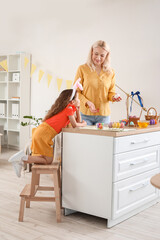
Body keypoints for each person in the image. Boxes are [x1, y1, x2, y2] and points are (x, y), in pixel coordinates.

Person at [8, 89, 87, 177]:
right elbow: (75, 124)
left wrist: (78, 110)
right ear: (72, 101)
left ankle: (21, 159)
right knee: (48, 160)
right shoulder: (69, 108)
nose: (79, 100)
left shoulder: (68, 108)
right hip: (44, 134)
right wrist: (83, 124)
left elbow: (76, 121)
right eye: (78, 98)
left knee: (45, 159)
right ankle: (21, 158)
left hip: (42, 132)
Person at [73, 40, 122, 126]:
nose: (98, 58)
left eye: (102, 55)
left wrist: (114, 97)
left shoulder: (110, 72)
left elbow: (111, 92)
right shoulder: (82, 69)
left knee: (103, 139)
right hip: (85, 115)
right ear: (92, 52)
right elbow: (76, 92)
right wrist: (87, 102)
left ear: (107, 56)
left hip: (104, 116)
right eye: (96, 54)